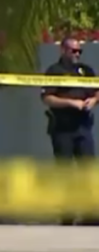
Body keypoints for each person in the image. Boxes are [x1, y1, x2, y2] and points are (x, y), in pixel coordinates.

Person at [41, 36, 99, 226]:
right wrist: (71, 103)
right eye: (73, 50)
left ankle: (91, 214)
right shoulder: (54, 71)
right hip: (62, 129)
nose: (76, 54)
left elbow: (97, 89)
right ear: (63, 50)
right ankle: (68, 214)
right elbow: (48, 98)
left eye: (79, 51)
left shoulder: (86, 71)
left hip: (83, 127)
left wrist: (94, 100)